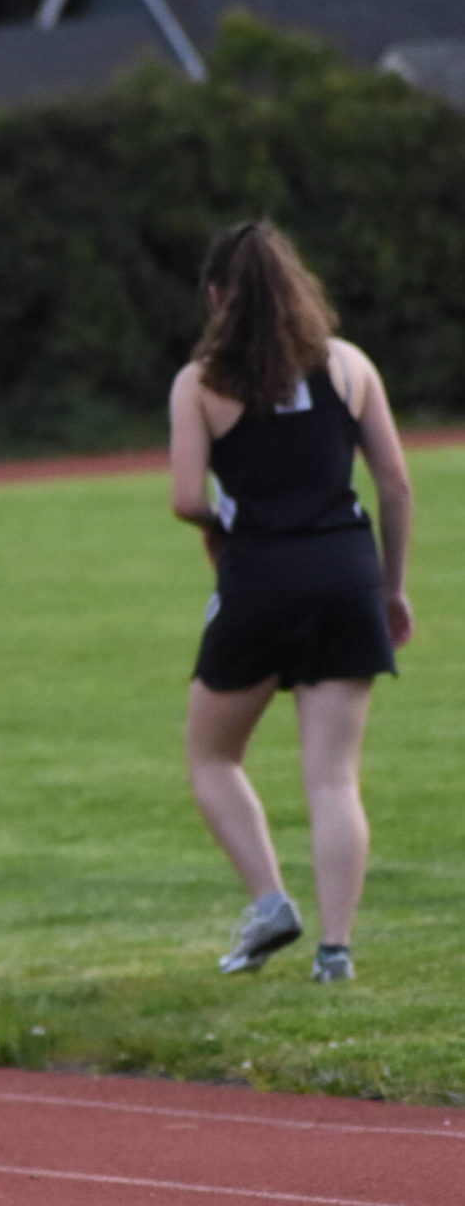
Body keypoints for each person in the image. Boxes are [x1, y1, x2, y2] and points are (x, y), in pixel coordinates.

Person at [169, 221, 413, 983]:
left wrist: (222, 526)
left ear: (215, 297)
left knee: (211, 754)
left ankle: (270, 899)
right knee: (333, 777)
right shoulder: (348, 366)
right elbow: (395, 484)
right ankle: (335, 952)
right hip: (345, 570)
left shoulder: (201, 381)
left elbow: (183, 497)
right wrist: (391, 587)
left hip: (259, 576)